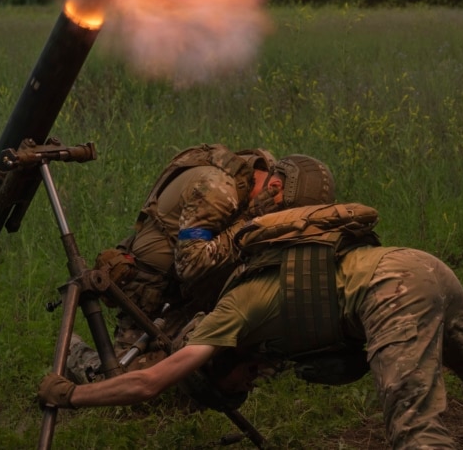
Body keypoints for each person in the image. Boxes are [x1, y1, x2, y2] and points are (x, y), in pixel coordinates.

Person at [39, 201, 463, 449]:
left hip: (390, 292)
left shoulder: (227, 317)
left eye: (238, 379)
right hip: (420, 269)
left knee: (415, 424)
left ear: (222, 361)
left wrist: (72, 395)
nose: (254, 374)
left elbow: (150, 382)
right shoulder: (249, 317)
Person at [68, 145, 334, 382]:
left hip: (196, 289)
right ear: (275, 188)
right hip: (156, 292)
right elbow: (191, 265)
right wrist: (251, 224)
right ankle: (72, 351)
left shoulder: (263, 177)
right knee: (124, 382)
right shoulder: (218, 190)